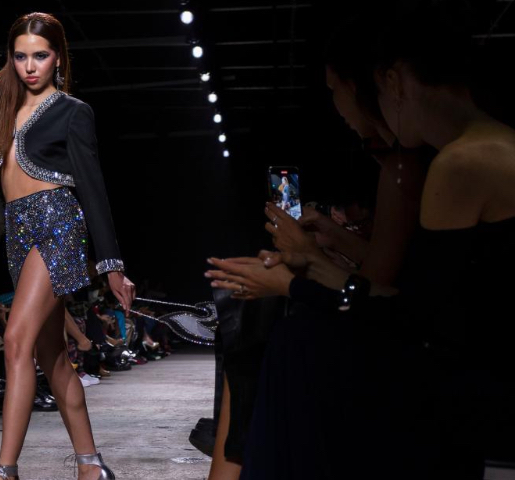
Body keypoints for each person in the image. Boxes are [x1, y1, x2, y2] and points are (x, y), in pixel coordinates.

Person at [207, 3, 515, 478]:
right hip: (468, 376)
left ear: (391, 81)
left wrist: (295, 282)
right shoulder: (485, 145)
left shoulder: (462, 163)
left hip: (473, 398)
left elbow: (414, 320)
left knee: (293, 343)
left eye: (338, 91)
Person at [0, 12, 135, 480]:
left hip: (59, 224)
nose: (30, 66)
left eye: (40, 55)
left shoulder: (73, 111)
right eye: (20, 56)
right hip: (17, 233)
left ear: (58, 57)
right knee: (52, 359)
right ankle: (90, 464)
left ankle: (5, 470)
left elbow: (93, 189)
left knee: (15, 340)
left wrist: (112, 264)